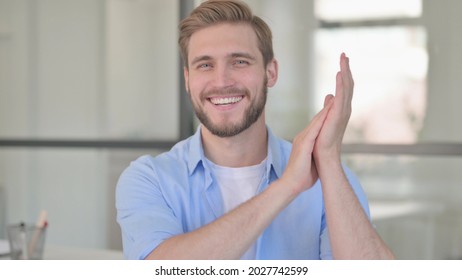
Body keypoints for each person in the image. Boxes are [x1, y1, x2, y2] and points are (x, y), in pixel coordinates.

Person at [116, 0, 394, 260]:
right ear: (188, 80)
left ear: (270, 73)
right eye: (205, 65)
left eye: (239, 62)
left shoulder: (331, 180)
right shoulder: (148, 180)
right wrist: (286, 187)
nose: (222, 81)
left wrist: (329, 160)